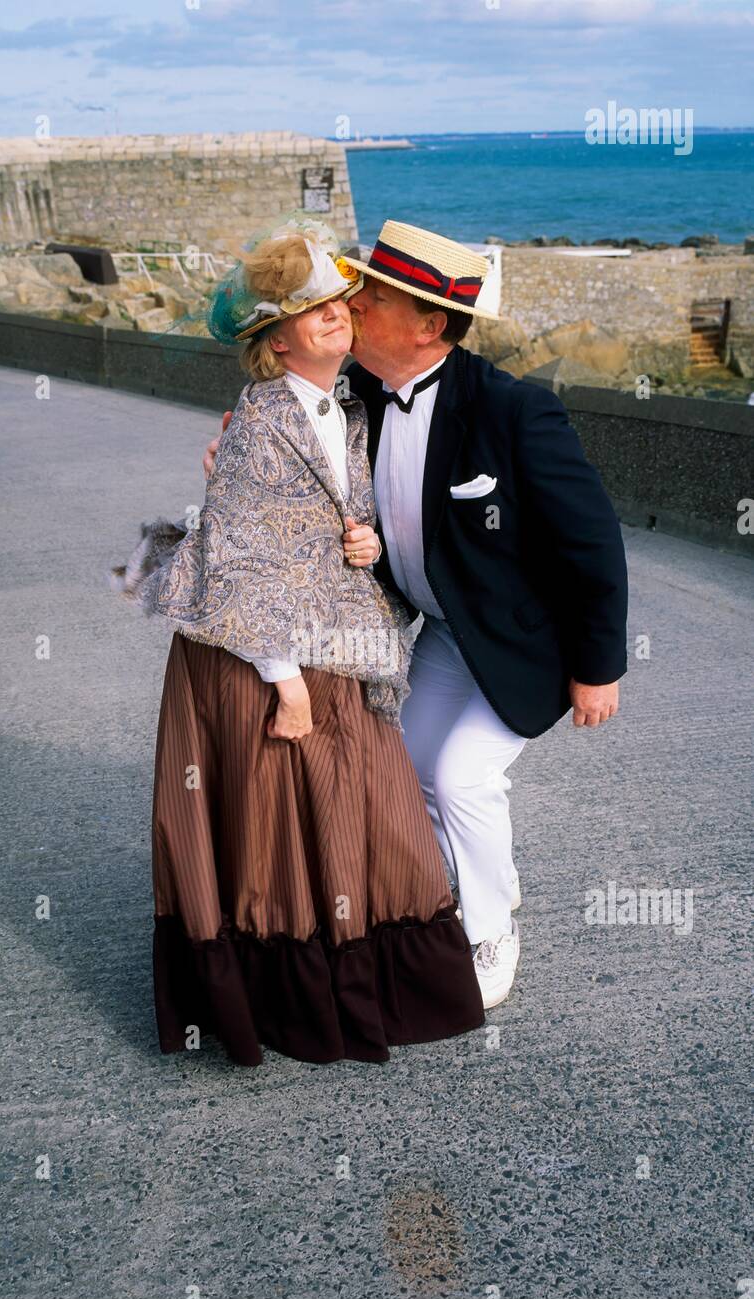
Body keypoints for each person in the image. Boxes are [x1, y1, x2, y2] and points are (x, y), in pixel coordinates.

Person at [204, 219, 629, 1010]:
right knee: (410, 774)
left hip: (524, 644)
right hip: (439, 634)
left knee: (461, 778)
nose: (352, 303)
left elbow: (592, 544)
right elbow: (293, 423)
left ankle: (488, 928)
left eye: (372, 295)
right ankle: (481, 888)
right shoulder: (357, 391)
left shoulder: (515, 411)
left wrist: (598, 667)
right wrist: (235, 445)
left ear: (428, 323)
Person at [111, 214, 485, 1067]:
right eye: (311, 308)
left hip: (325, 640)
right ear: (274, 341)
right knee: (279, 837)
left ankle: (366, 992)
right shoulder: (260, 422)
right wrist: (284, 684)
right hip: (262, 655)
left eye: (339, 302)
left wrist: (368, 544)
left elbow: (324, 519)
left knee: (361, 816)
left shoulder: (343, 408)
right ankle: (291, 1008)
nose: (334, 315)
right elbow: (242, 561)